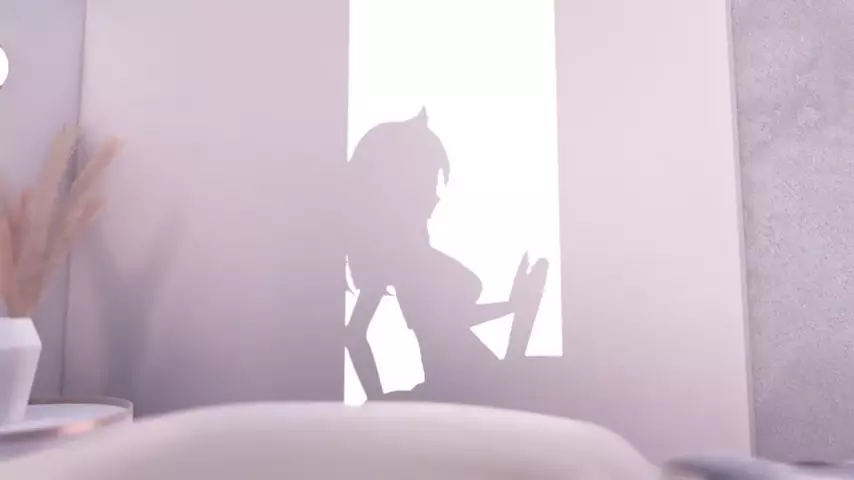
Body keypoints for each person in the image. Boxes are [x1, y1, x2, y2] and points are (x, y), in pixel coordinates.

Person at [344, 107, 547, 402]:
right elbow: (355, 334)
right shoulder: (399, 259)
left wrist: (514, 306)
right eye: (428, 183)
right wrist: (377, 402)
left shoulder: (414, 254)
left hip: (476, 376)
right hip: (460, 385)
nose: (435, 195)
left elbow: (450, 322)